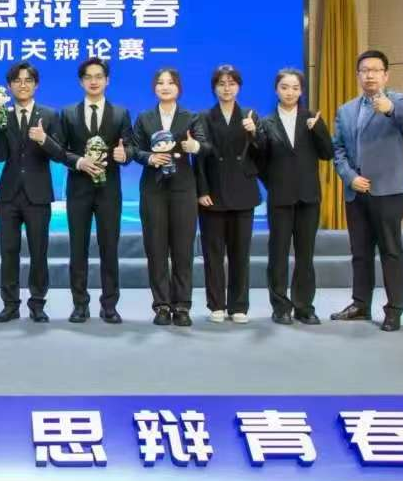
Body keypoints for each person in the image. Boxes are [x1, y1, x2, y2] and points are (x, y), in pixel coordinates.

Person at [331, 49, 403, 332]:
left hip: (389, 191)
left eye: (375, 70)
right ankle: (360, 304)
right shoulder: (345, 110)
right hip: (356, 191)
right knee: (360, 252)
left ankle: (394, 310)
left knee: (390, 251)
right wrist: (349, 177)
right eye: (364, 70)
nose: (369, 75)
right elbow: (338, 150)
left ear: (385, 75)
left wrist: (390, 109)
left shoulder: (398, 101)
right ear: (358, 75)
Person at [55, 57, 135, 324]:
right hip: (78, 189)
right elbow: (59, 150)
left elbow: (130, 147)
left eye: (99, 76)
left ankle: (109, 305)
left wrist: (125, 155)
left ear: (107, 80)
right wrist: (79, 161)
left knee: (109, 248)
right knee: (77, 249)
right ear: (81, 82)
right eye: (88, 77)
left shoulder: (120, 113)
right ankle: (80, 304)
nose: (94, 81)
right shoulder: (68, 114)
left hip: (109, 191)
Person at [132, 67, 210, 327]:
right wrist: (150, 157)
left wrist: (194, 146)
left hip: (183, 189)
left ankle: (182, 305)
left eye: (170, 83)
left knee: (183, 250)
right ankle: (162, 305)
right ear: (154, 88)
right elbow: (134, 149)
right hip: (153, 190)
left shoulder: (191, 117)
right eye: (160, 83)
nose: (165, 87)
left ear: (179, 88)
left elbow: (205, 146)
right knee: (155, 249)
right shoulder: (144, 118)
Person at [0, 61, 65, 323]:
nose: (23, 85)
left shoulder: (50, 115)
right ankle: (10, 305)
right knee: (8, 251)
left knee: (38, 252)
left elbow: (59, 154)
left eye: (28, 80)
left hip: (38, 194)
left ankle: (37, 303)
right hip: (9, 194)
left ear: (36, 85)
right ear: (9, 86)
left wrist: (44, 139)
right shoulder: (3, 114)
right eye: (17, 81)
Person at [259, 67, 334, 326]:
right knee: (278, 254)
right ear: (276, 90)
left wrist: (318, 130)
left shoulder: (312, 118)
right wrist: (274, 184)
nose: (289, 92)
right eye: (284, 87)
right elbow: (260, 163)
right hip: (280, 198)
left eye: (295, 88)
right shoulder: (266, 123)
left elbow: (327, 153)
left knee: (305, 255)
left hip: (308, 198)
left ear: (301, 91)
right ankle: (280, 306)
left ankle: (304, 306)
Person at [195, 65, 266, 324]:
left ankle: (239, 306)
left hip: (242, 191)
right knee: (213, 253)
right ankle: (216, 304)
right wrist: (201, 190)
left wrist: (254, 132)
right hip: (213, 193)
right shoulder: (203, 117)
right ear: (214, 88)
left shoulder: (250, 115)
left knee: (240, 254)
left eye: (232, 83)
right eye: (221, 83)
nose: (227, 88)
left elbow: (263, 151)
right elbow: (199, 157)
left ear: (239, 87)